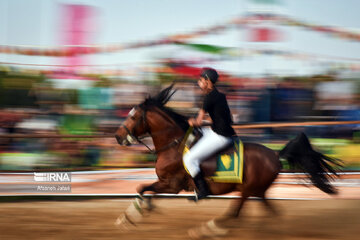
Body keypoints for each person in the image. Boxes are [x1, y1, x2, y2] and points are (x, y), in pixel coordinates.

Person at [184, 67, 235, 201]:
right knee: (195, 134)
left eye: (200, 80)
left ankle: (203, 190)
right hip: (221, 132)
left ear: (207, 81)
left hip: (220, 137)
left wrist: (191, 121)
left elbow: (198, 122)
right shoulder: (220, 95)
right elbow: (224, 117)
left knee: (188, 159)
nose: (199, 83)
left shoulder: (208, 97)